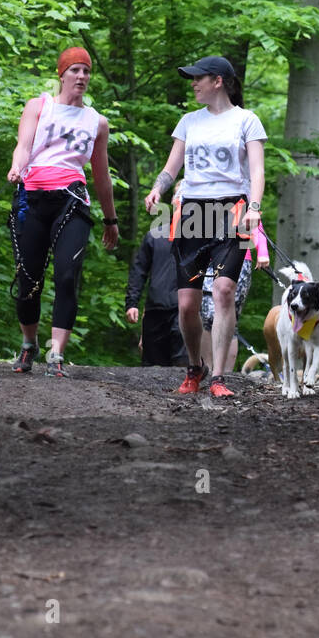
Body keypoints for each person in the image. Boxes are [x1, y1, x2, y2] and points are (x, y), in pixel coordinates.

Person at [143, 55, 266, 398]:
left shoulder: (247, 120)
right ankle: (195, 367)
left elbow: (257, 172)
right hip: (193, 212)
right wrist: (158, 189)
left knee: (225, 291)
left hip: (234, 211)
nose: (193, 83)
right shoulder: (188, 122)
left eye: (199, 78)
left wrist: (254, 209)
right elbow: (172, 166)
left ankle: (219, 377)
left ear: (219, 82)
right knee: (187, 304)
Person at [7, 46, 119, 377]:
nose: (82, 76)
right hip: (33, 199)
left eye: (86, 71)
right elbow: (23, 146)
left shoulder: (97, 122)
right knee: (28, 277)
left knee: (67, 276)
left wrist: (111, 219)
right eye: (75, 70)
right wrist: (17, 167)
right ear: (62, 74)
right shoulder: (38, 107)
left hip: (72, 201)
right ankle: (29, 345)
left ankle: (56, 354)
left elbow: (102, 175)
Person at [200, 222, 269, 373]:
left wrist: (262, 251)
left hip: (240, 257)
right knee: (207, 317)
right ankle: (207, 369)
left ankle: (224, 374)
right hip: (207, 257)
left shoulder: (244, 199)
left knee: (228, 316)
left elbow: (255, 223)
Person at [125, 221, 188, 366]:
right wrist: (132, 303)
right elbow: (139, 271)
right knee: (152, 368)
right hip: (155, 310)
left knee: (182, 364)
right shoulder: (154, 236)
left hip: (184, 310)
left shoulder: (201, 238)